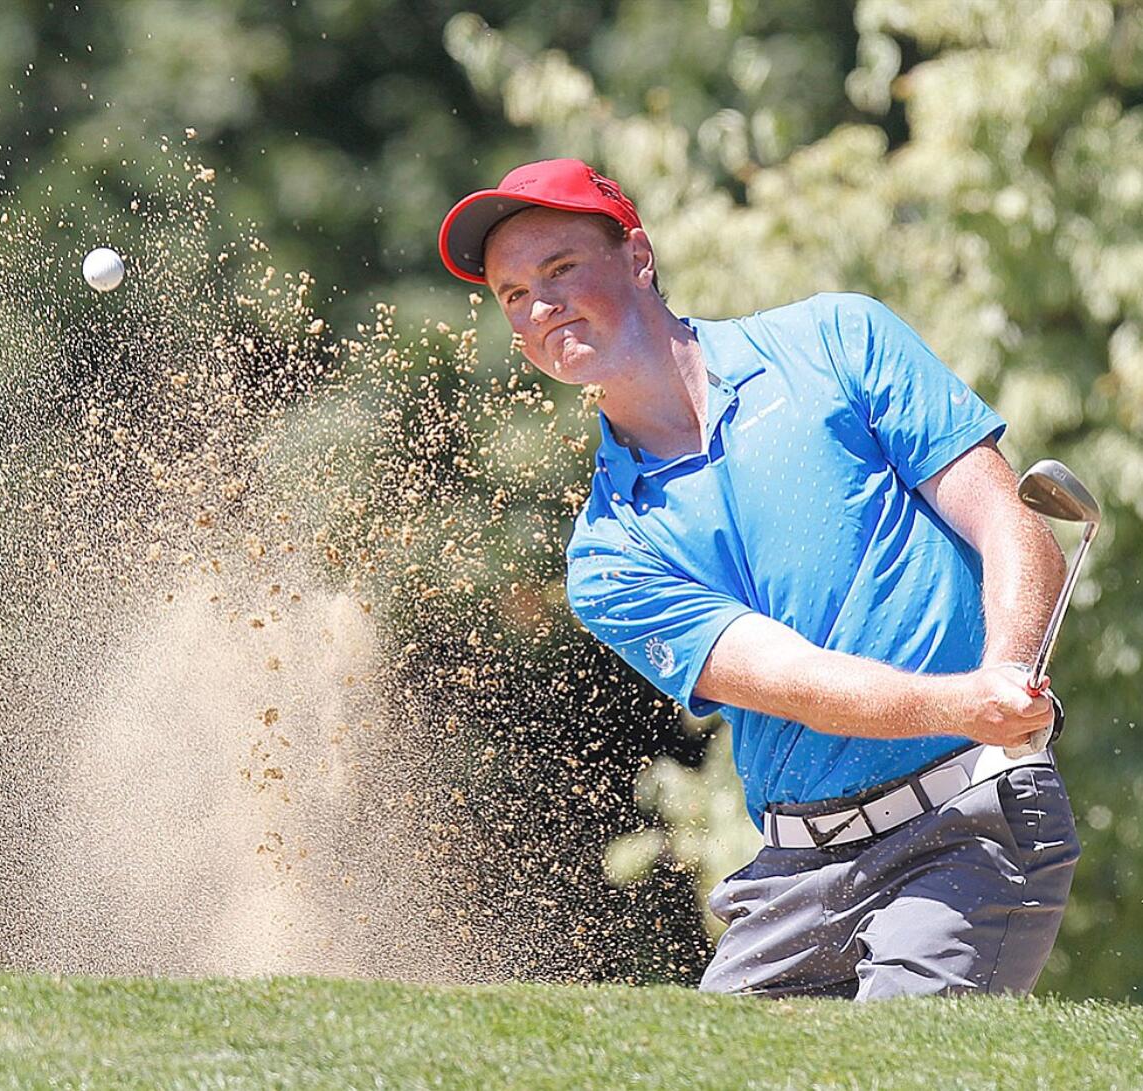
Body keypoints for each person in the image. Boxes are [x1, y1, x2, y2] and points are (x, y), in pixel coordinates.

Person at [438, 158, 1080, 1000]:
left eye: (559, 269)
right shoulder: (606, 553)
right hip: (794, 873)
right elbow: (795, 681)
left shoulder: (839, 340)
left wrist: (1002, 676)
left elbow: (1010, 523)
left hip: (971, 821)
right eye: (515, 294)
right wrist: (966, 697)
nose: (542, 305)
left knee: (903, 1061)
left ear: (637, 256)